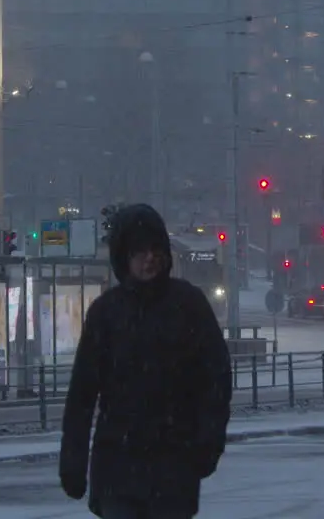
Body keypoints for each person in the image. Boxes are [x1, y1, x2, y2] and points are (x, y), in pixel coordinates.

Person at [59, 203, 233, 519]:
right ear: (124, 257)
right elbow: (82, 394)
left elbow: (216, 380)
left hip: (172, 464)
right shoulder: (106, 314)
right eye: (139, 251)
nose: (149, 258)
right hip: (118, 466)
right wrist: (73, 460)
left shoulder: (188, 305)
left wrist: (208, 443)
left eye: (155, 249)